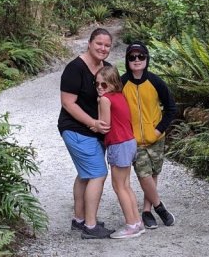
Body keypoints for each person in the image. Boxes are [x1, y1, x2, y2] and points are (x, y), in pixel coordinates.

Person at [58, 27, 112, 239]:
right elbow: (68, 103)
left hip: (96, 132)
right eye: (99, 43)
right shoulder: (75, 68)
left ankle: (79, 219)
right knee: (98, 174)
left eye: (107, 45)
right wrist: (93, 123)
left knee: (85, 175)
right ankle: (91, 226)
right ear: (89, 43)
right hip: (76, 129)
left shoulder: (107, 68)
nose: (103, 48)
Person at [121, 41, 177, 229]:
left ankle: (146, 211)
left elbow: (171, 108)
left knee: (153, 174)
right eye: (132, 57)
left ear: (146, 58)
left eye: (141, 56)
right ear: (127, 60)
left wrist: (158, 130)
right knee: (143, 174)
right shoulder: (121, 83)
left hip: (156, 139)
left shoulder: (155, 81)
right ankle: (160, 207)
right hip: (133, 140)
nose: (136, 60)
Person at [95, 66, 145, 240]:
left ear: (113, 83)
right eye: (97, 84)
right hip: (129, 142)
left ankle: (131, 226)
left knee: (119, 186)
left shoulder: (105, 99)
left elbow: (104, 125)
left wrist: (92, 124)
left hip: (118, 144)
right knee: (126, 185)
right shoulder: (120, 96)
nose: (99, 87)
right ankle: (137, 222)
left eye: (103, 84)